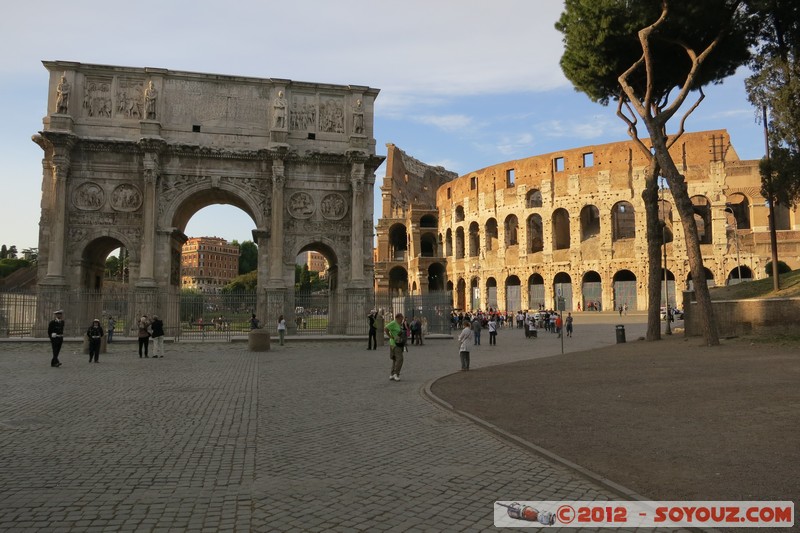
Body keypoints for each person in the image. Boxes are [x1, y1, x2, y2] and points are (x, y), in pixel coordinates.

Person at [384, 313, 405, 381]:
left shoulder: (399, 324)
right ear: (398, 318)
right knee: (400, 359)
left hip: (399, 343)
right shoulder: (393, 323)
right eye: (401, 318)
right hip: (395, 344)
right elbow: (386, 328)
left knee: (395, 359)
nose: (402, 320)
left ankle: (392, 374)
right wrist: (390, 336)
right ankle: (396, 374)